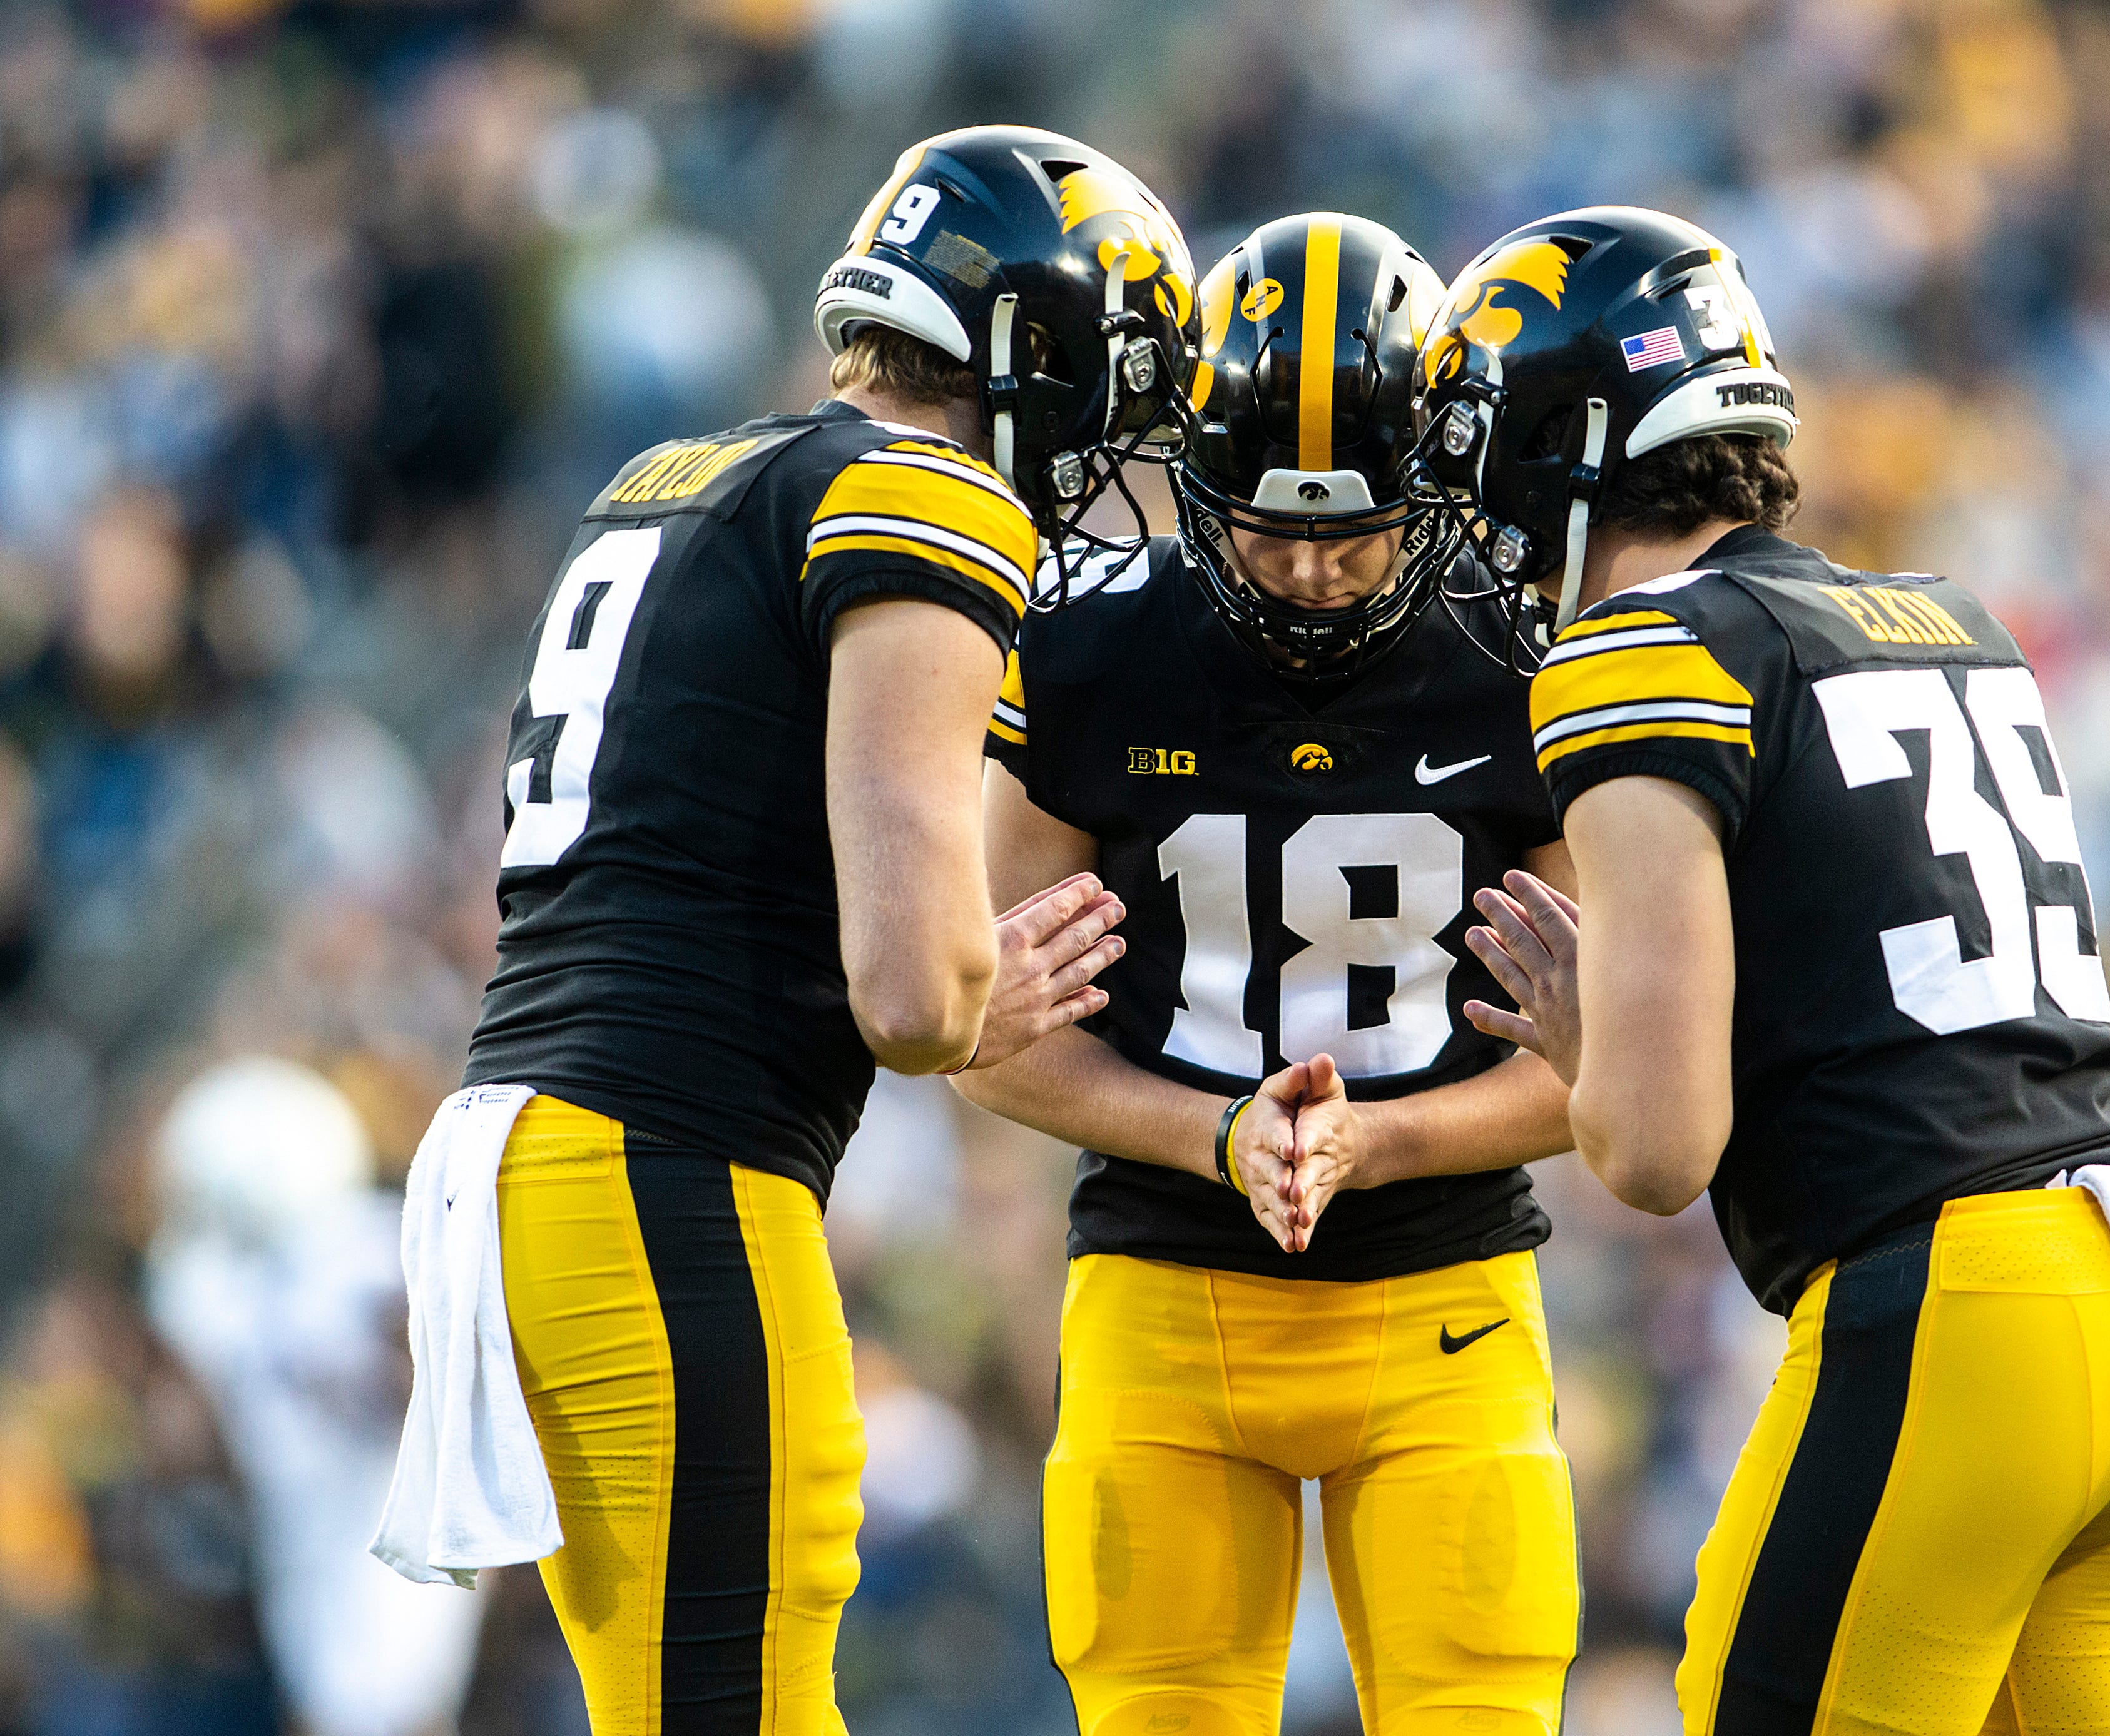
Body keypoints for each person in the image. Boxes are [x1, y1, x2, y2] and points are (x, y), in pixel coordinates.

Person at [1422, 206, 2110, 1736]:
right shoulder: (1950, 617)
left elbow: (1656, 1148)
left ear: (1567, 446)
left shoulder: (1641, 653)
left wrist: (1583, 1038)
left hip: (1957, 1301)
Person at [438, 126, 1192, 1733]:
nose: (1100, 453)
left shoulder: (679, 474)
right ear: (1035, 354)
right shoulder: (920, 493)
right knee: (739, 1694)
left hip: (532, 1148)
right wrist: (981, 998)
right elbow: (915, 995)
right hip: (670, 1160)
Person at [952, 211, 1581, 1736]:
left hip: (1447, 1290)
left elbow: (1614, 1053)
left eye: (1355, 530)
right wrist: (1214, 1133)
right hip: (1162, 1289)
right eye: (1267, 529)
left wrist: (1384, 1140)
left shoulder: (1529, 658)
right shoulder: (1092, 654)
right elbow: (987, 1022)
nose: (1309, 569)